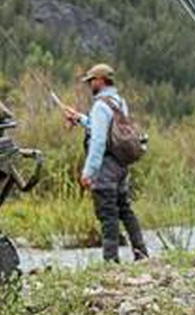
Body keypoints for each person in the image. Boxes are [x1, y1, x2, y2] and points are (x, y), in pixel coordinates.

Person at [63, 63, 149, 263]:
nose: (89, 84)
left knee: (107, 215)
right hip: (121, 167)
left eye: (91, 80)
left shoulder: (100, 106)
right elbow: (107, 129)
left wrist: (88, 173)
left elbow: (99, 141)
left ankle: (111, 261)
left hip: (105, 169)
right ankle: (141, 253)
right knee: (125, 210)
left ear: (100, 80)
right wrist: (80, 119)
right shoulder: (118, 101)